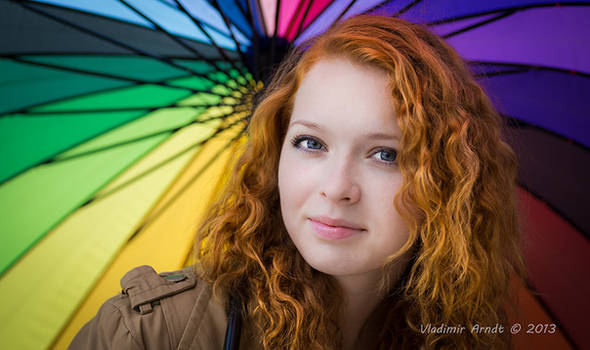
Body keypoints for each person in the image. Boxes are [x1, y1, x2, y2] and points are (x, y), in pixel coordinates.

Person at [69, 15, 524, 350]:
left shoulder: (469, 338)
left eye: (385, 154)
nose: (337, 187)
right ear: (276, 149)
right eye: (311, 143)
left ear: (449, 179)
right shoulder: (151, 334)